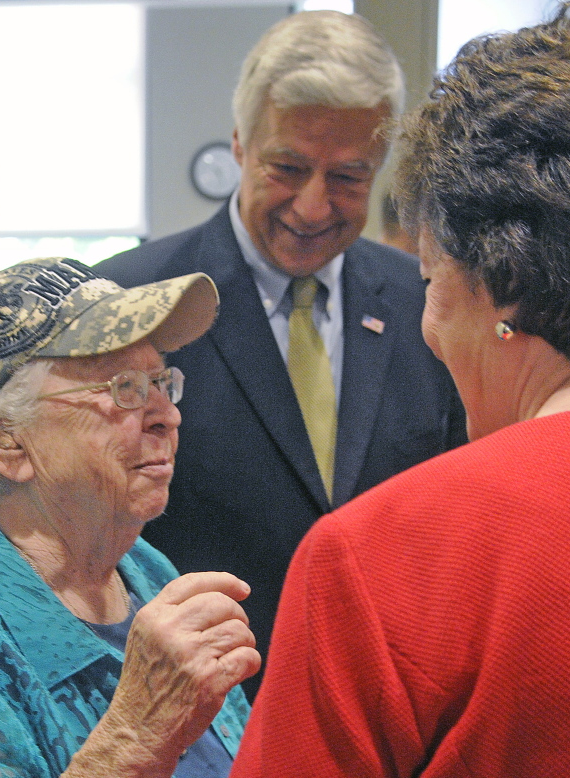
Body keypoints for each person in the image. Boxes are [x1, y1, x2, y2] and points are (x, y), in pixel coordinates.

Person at [0, 2, 570, 778]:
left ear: (480, 278)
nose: (154, 414)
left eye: (163, 384)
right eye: (120, 388)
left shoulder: (394, 555)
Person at [96, 9, 467, 701]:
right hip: (194, 714)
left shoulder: (427, 305)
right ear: (239, 142)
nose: (311, 205)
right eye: (287, 168)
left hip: (390, 704)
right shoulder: (129, 300)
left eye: (349, 177)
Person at [0, 257, 259, 778]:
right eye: (120, 388)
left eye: (162, 382)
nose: (164, 411)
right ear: (8, 445)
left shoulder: (148, 572)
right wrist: (139, 729)